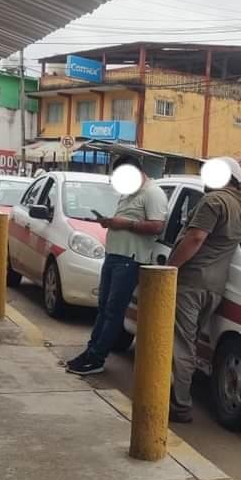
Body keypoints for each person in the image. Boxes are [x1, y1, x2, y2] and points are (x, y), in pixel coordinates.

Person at [166, 156, 241, 423]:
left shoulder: (213, 202)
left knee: (181, 345)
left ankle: (180, 405)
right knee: (190, 343)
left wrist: (169, 269)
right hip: (214, 287)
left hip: (190, 281)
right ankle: (179, 394)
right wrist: (239, 176)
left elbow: (195, 238)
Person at [65, 155, 168, 376]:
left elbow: (157, 226)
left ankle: (97, 357)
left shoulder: (153, 193)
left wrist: (125, 224)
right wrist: (110, 223)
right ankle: (90, 352)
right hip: (114, 256)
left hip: (130, 260)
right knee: (102, 308)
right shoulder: (129, 194)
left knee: (113, 311)